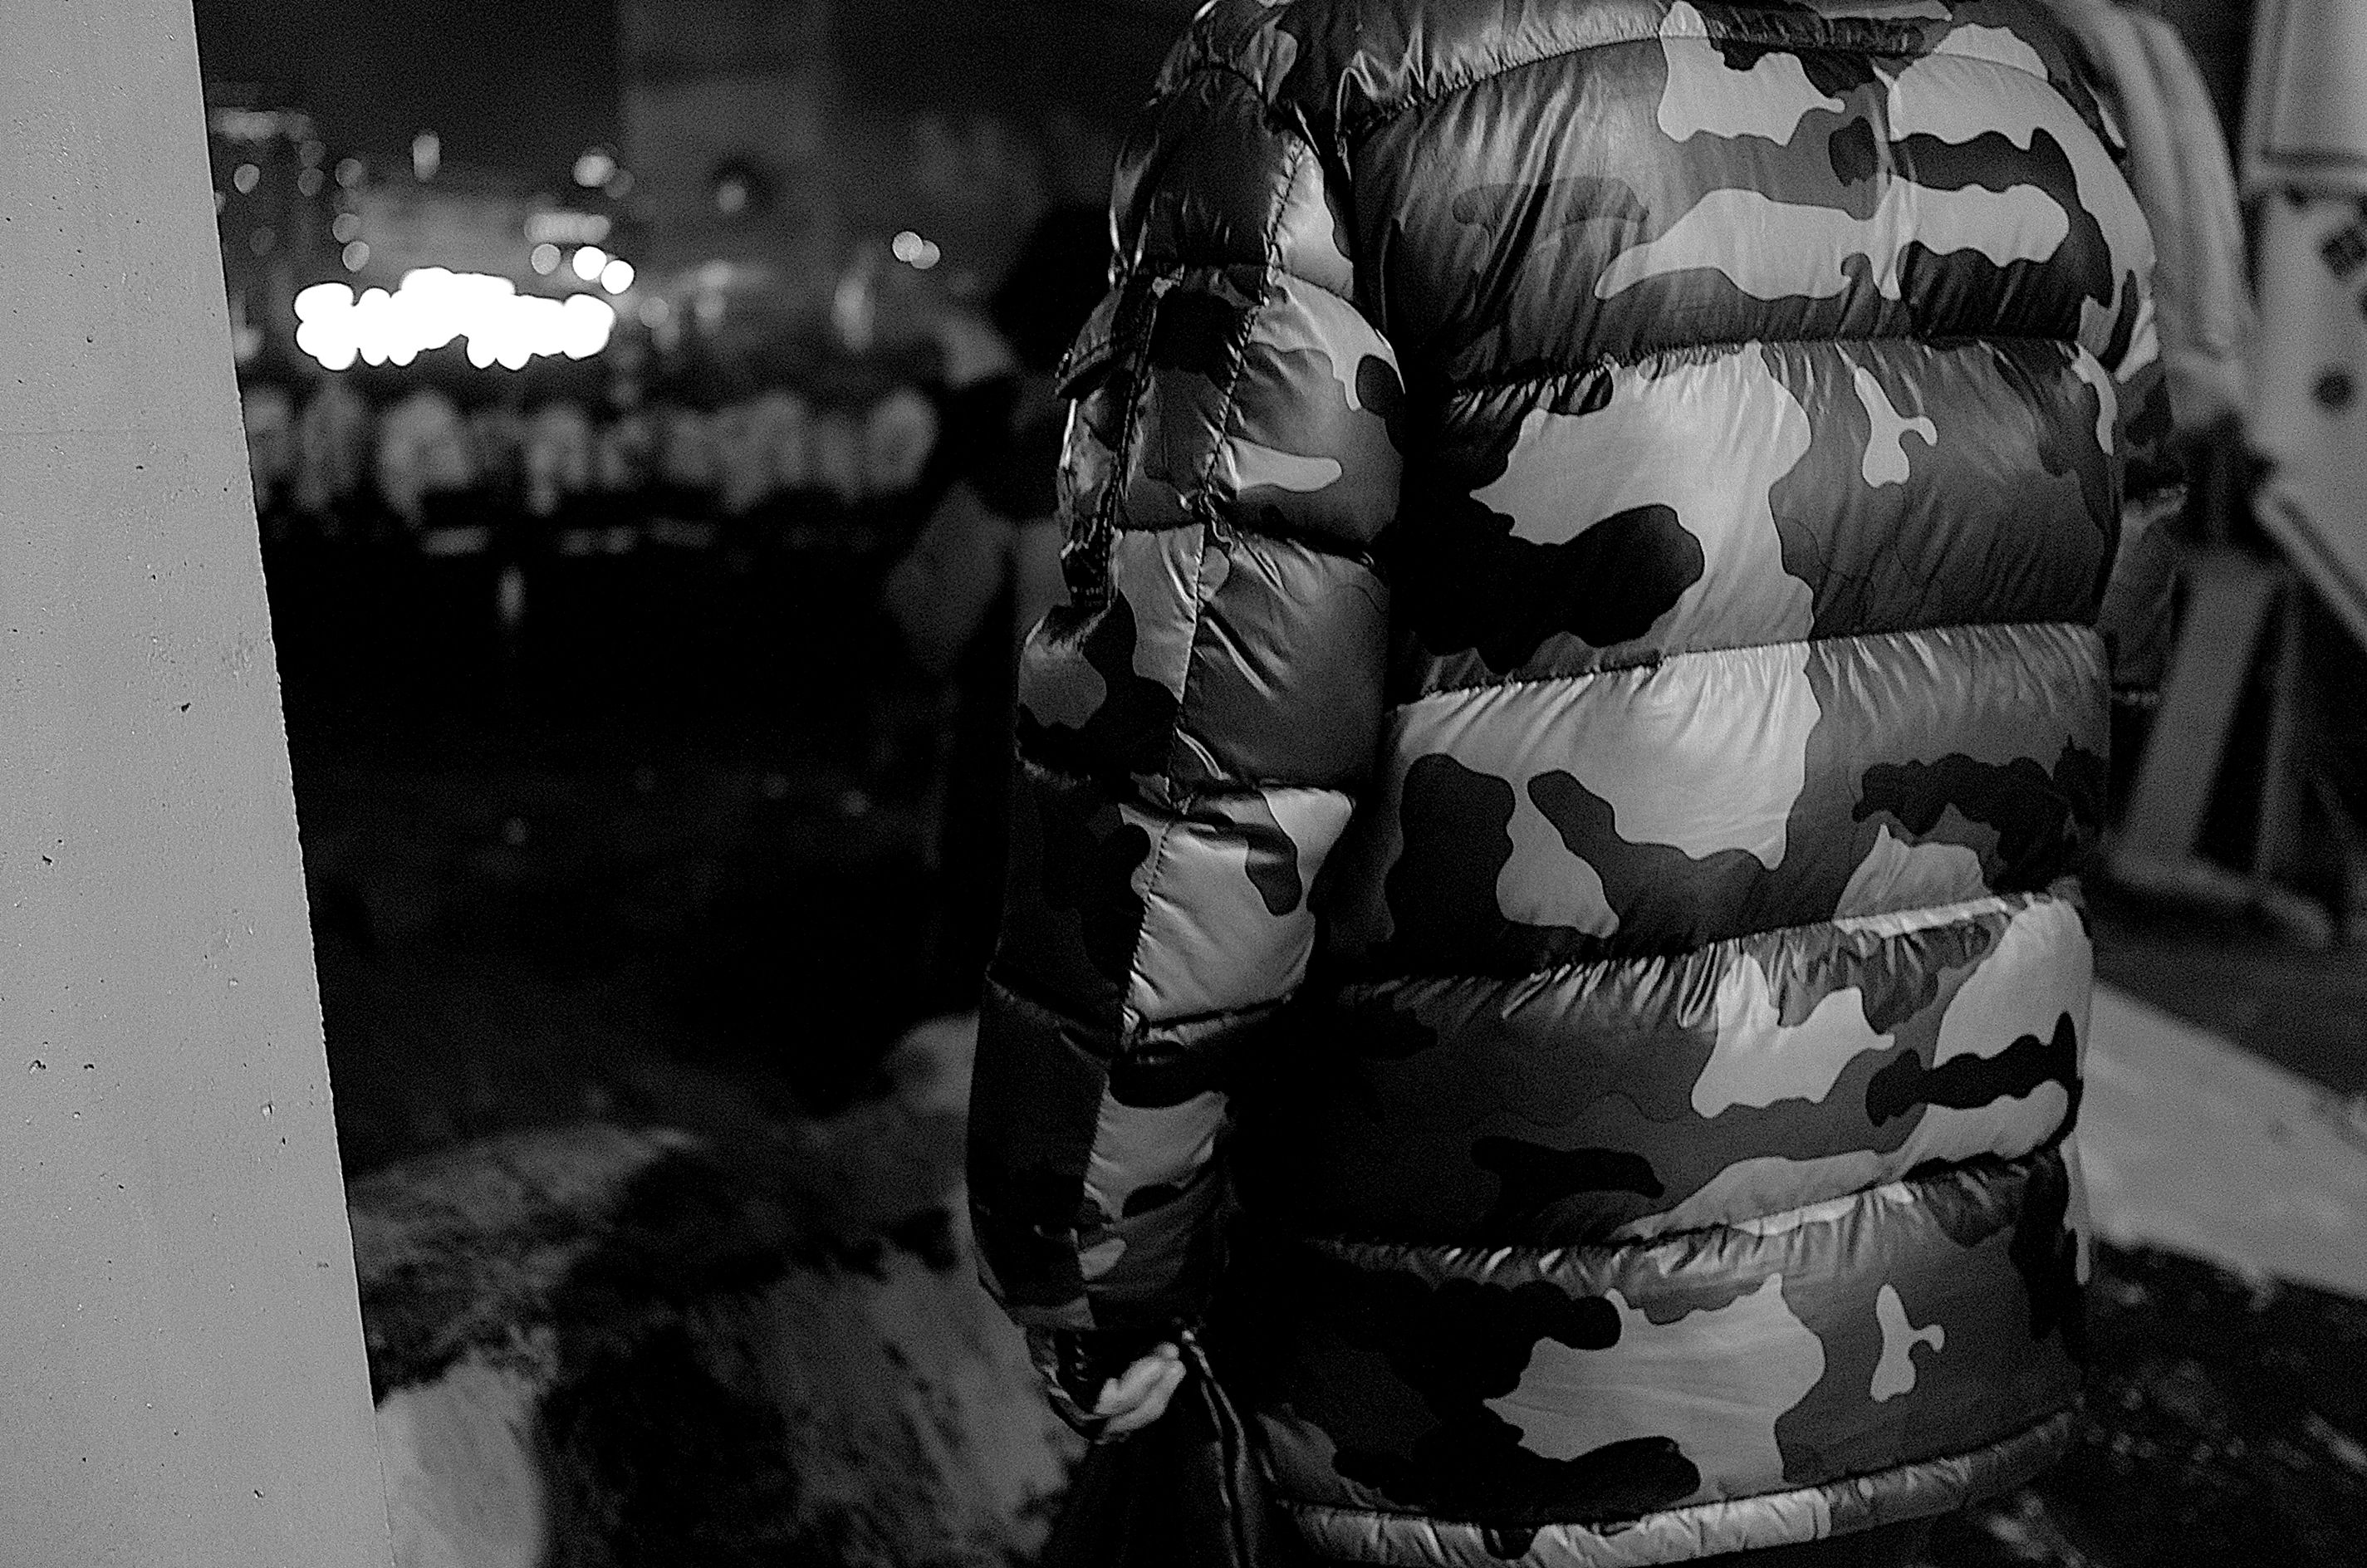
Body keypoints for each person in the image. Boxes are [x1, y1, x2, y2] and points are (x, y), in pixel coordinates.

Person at [969, 1, 2174, 1562]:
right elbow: (2112, 647)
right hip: (1920, 1331)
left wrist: (1090, 1252)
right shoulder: (2044, 90)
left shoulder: (1331, 82)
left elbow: (1190, 750)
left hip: (1471, 1375)